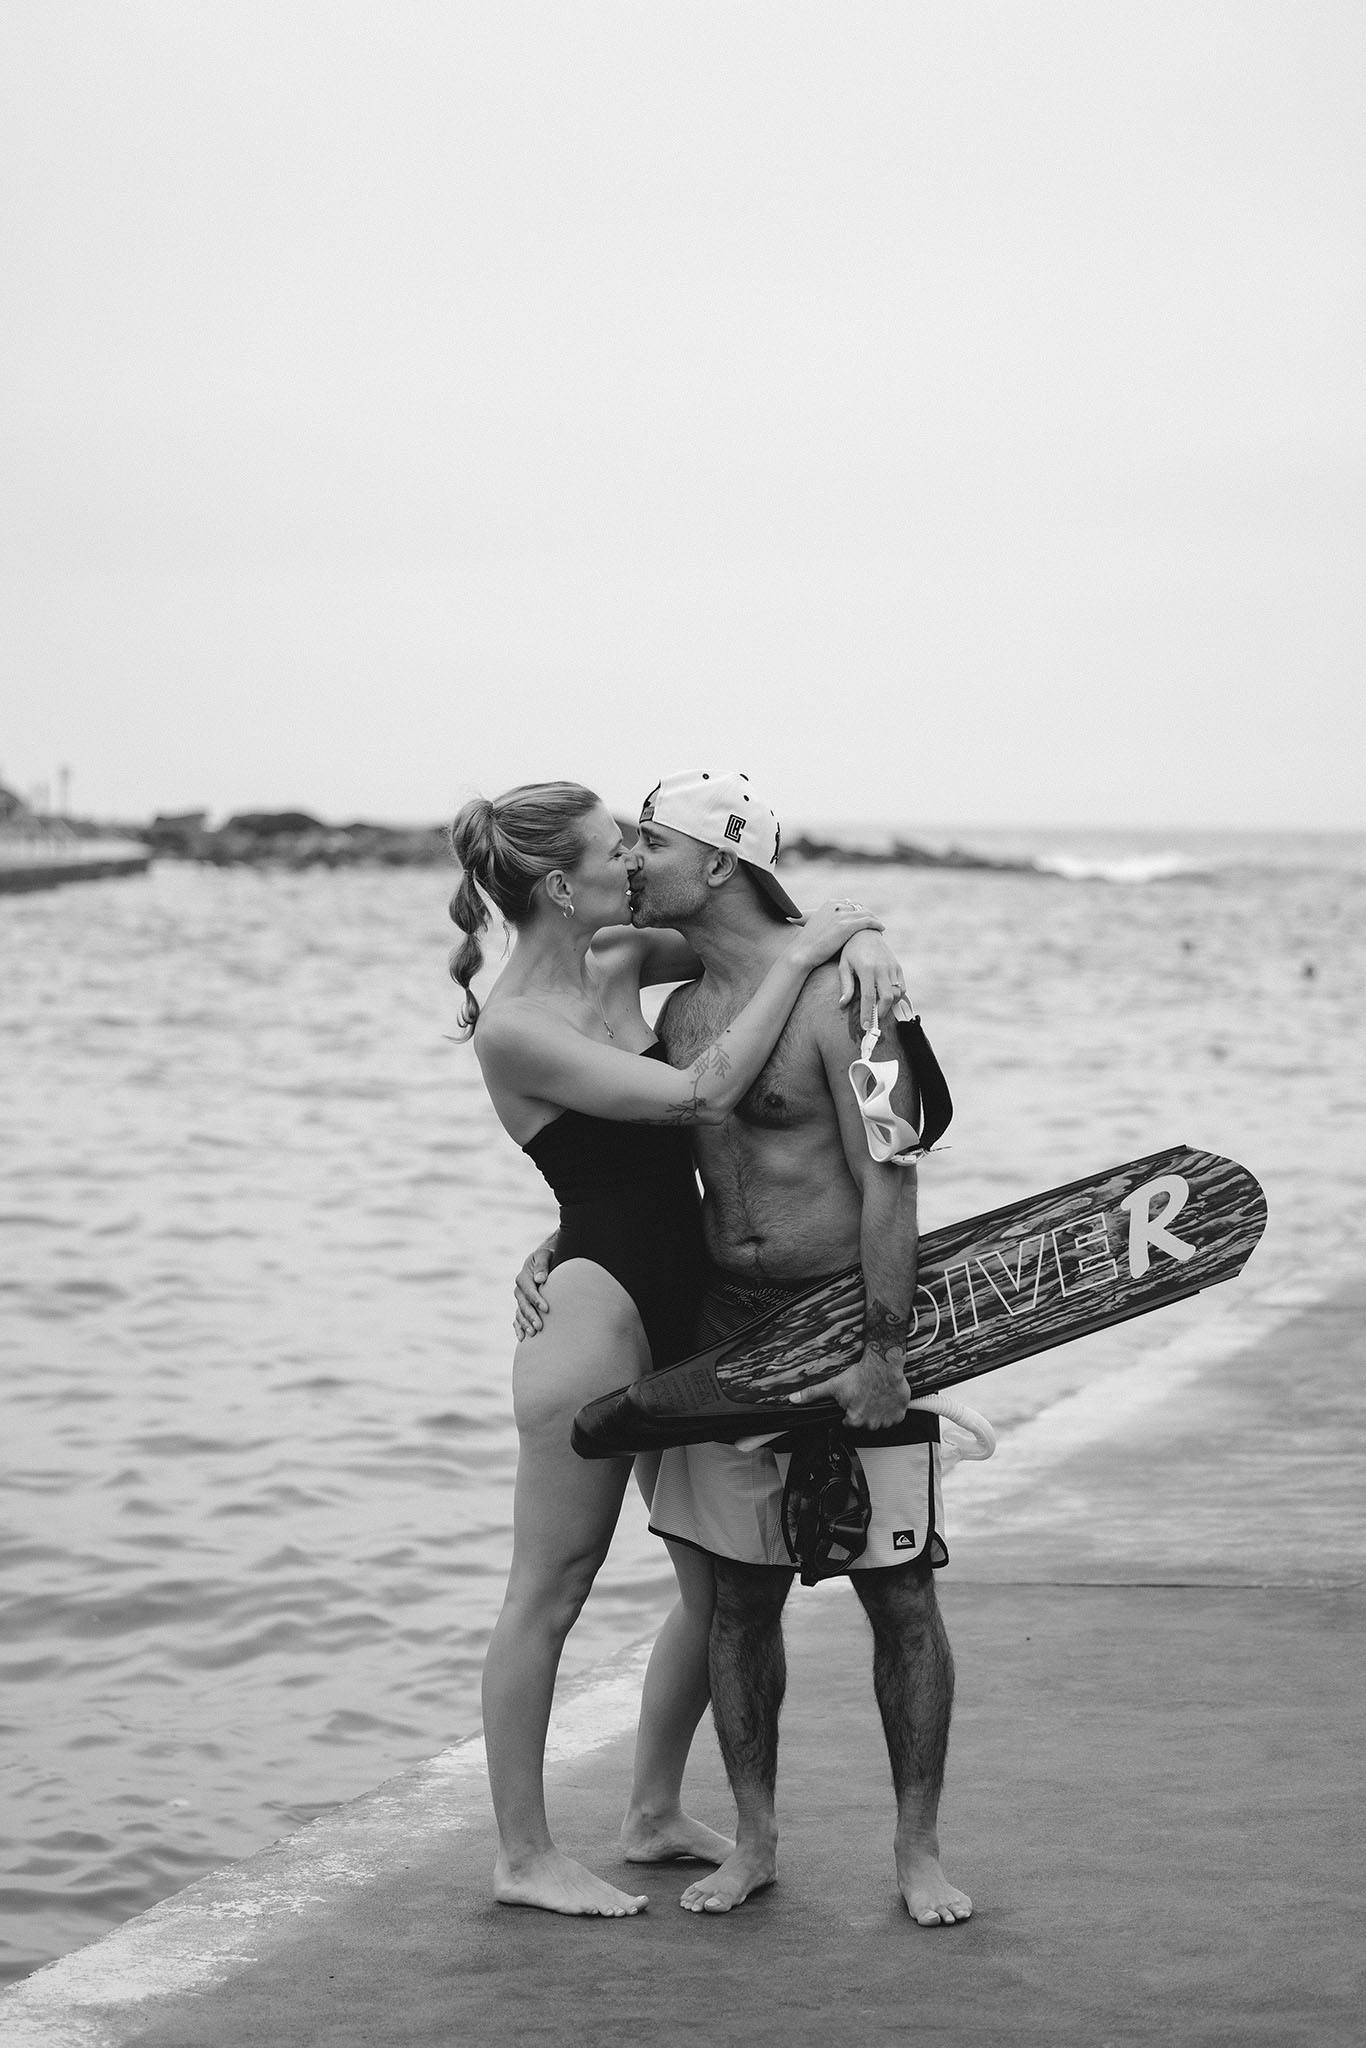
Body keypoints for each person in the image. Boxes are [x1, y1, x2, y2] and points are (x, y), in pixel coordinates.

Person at [517, 769, 970, 1927]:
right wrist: (561, 1237)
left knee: (898, 1593)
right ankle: (754, 1839)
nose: (626, 865)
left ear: (714, 860)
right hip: (726, 1327)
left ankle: (917, 1851)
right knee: (734, 1602)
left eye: (646, 846)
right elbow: (658, 1166)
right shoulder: (678, 1008)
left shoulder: (841, 996)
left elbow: (891, 1178)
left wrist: (881, 1348)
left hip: (842, 1316)